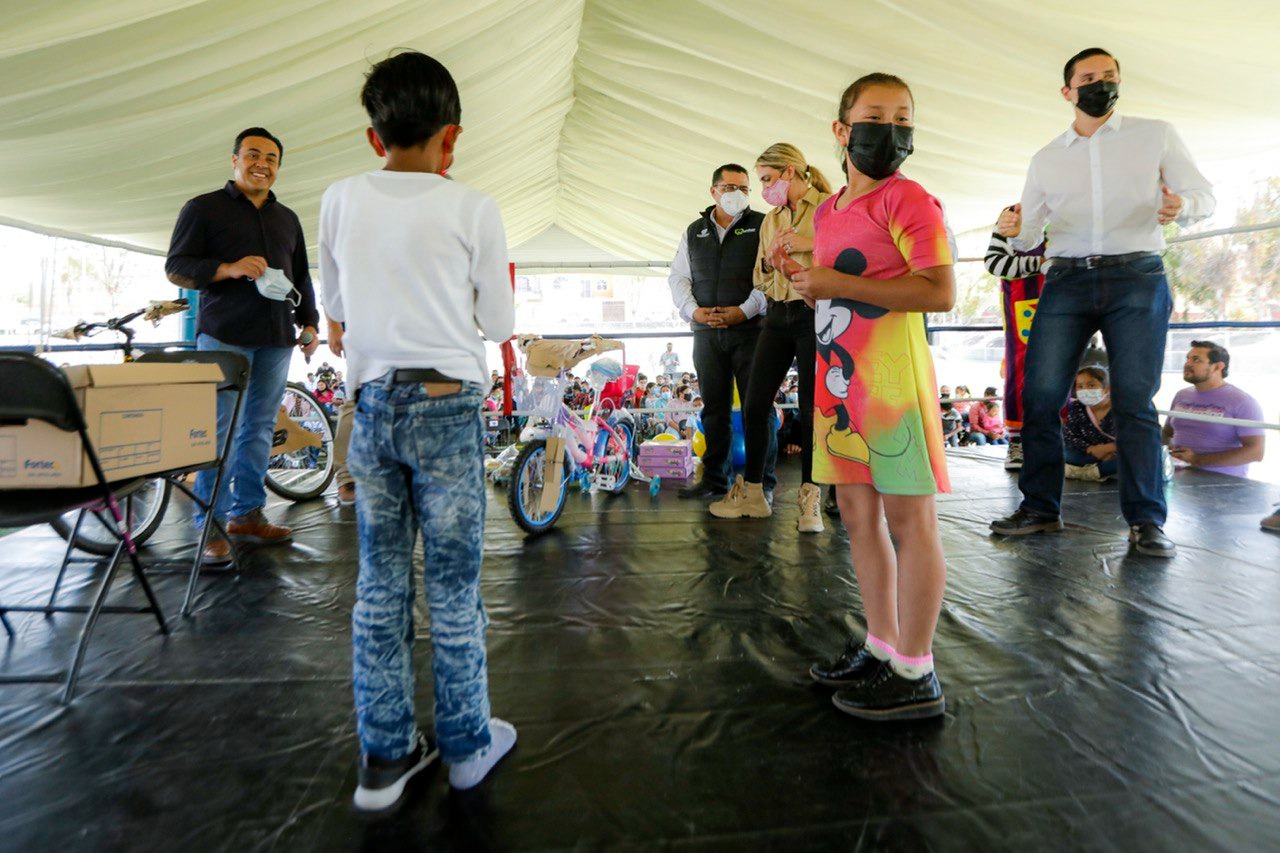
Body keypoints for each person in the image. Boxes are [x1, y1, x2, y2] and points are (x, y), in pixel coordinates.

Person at [319, 50, 517, 811]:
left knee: (379, 583)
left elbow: (334, 302)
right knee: (455, 587)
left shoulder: (338, 198)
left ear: (375, 137)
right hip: (447, 408)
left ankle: (385, 756)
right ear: (451, 137)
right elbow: (497, 322)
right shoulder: (473, 207)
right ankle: (467, 746)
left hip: (372, 408)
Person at [989, 47, 1215, 559]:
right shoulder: (1047, 157)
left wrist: (1184, 206)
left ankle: (1146, 521)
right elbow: (1026, 236)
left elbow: (1204, 196)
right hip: (1066, 277)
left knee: (1135, 401)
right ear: (1066, 91)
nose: (1100, 84)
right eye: (1088, 78)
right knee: (1041, 396)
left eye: (1108, 76)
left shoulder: (1155, 133)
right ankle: (1041, 509)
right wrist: (1011, 229)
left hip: (1137, 274)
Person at [793, 73, 954, 721]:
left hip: (892, 386)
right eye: (875, 116)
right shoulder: (830, 211)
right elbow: (840, 281)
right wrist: (805, 273)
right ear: (841, 131)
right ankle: (883, 645)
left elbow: (938, 291)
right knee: (857, 518)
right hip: (842, 386)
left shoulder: (910, 199)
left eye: (902, 118)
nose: (890, 130)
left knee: (910, 522)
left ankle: (917, 667)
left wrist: (831, 279)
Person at [165, 127, 320, 565]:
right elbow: (177, 268)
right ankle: (208, 524)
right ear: (234, 160)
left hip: (276, 337)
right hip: (224, 336)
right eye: (253, 154)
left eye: (271, 158)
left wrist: (308, 321)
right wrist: (229, 268)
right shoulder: (203, 209)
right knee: (218, 430)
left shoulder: (286, 218)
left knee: (258, 428)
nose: (262, 164)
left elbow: (302, 276)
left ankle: (247, 513)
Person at [710, 143, 832, 533]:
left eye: (766, 179)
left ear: (790, 172)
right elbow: (760, 281)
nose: (764, 190)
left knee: (814, 408)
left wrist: (804, 245)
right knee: (755, 402)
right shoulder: (770, 221)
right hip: (777, 314)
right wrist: (768, 261)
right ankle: (754, 494)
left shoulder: (830, 208)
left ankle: (812, 497)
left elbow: (845, 257)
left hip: (816, 314)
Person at [668, 164, 773, 499]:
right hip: (705, 333)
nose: (737, 194)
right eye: (729, 187)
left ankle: (762, 484)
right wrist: (693, 311)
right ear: (712, 191)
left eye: (744, 188)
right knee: (714, 409)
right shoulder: (694, 230)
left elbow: (772, 277)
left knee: (759, 409)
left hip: (752, 332)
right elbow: (679, 277)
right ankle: (715, 480)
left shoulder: (763, 224)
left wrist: (743, 311)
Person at [984, 216, 1046, 470]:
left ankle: (1058, 440)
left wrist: (1043, 265)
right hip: (1022, 305)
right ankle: (1017, 442)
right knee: (1019, 372)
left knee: (1064, 371)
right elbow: (995, 263)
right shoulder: (1010, 215)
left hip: (1062, 301)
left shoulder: (1063, 212)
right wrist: (1040, 263)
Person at [1163, 341, 1265, 479]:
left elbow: (1255, 452)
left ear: (1218, 366)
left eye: (1196, 360)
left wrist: (1197, 460)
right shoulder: (1182, 395)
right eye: (1187, 358)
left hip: (1222, 485)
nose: (1187, 364)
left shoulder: (1242, 402)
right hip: (1178, 476)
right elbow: (1167, 432)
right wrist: (1165, 453)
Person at [1063, 365, 1117, 481]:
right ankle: (1099, 471)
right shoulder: (1076, 407)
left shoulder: (1120, 408)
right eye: (1080, 386)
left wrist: (1108, 449)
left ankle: (1088, 472)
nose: (1085, 390)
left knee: (1132, 458)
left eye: (1091, 385)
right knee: (1063, 452)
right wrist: (1090, 449)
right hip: (1089, 453)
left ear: (1107, 389)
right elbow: (1070, 436)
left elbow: (1134, 438)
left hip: (1116, 453)